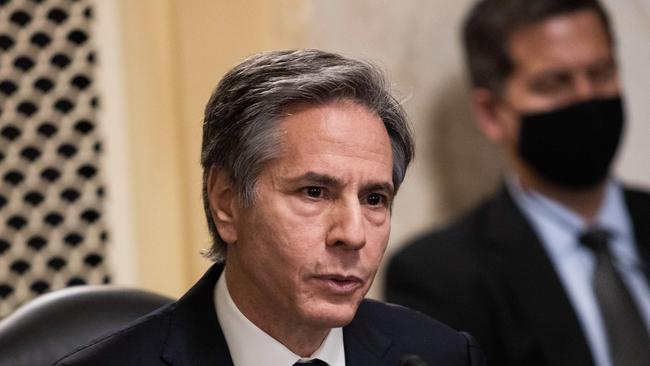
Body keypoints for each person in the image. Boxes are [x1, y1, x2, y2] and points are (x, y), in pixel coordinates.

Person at [55, 50, 486, 366]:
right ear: (226, 202)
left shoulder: (442, 355)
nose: (353, 234)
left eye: (374, 199)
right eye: (314, 192)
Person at [386, 1, 650, 365]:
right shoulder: (441, 277)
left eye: (601, 73)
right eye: (555, 83)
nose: (586, 96)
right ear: (492, 113)